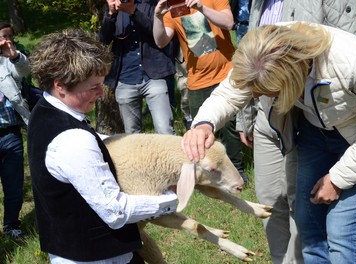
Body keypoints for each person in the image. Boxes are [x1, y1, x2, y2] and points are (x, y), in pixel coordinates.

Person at [181, 21, 356, 263]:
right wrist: (204, 123)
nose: (256, 97)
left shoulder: (351, 61)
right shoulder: (261, 50)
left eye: (267, 92)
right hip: (317, 134)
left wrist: (337, 179)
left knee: (341, 230)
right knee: (309, 223)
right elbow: (231, 92)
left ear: (292, 79)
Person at [233, 1, 356, 263]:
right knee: (270, 198)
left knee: (304, 204)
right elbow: (249, 64)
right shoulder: (258, 3)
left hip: (308, 117)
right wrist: (245, 116)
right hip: (266, 114)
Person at [27, 28, 178, 263]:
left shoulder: (44, 110)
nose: (101, 92)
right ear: (61, 86)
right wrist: (170, 198)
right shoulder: (73, 140)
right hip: (98, 257)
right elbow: (116, 211)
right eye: (93, 86)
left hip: (73, 249)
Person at [153, 0, 249, 184]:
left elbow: (229, 23)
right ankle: (208, 175)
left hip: (226, 73)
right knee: (201, 132)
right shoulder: (173, 7)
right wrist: (158, 16)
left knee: (231, 129)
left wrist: (202, 8)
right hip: (197, 80)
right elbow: (161, 41)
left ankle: (238, 170)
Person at [99, 0, 175, 135]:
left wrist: (133, 12)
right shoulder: (115, 8)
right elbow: (104, 39)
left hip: (154, 74)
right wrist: (111, 14)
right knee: (132, 134)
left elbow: (157, 36)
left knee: (165, 130)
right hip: (125, 77)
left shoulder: (151, 4)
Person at [0, 21, 31, 240]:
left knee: (13, 184)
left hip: (10, 133)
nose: (6, 41)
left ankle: (11, 225)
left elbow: (25, 70)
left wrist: (13, 55)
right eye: (3, 37)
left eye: (9, 37)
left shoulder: (7, 61)